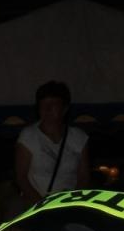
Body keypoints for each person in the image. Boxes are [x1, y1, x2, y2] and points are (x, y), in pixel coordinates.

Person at [14, 80, 91, 208]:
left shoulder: (79, 138)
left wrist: (73, 204)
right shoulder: (28, 136)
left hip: (68, 205)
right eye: (43, 105)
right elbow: (21, 178)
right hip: (35, 205)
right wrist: (42, 205)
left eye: (53, 105)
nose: (47, 110)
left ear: (64, 109)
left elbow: (83, 177)